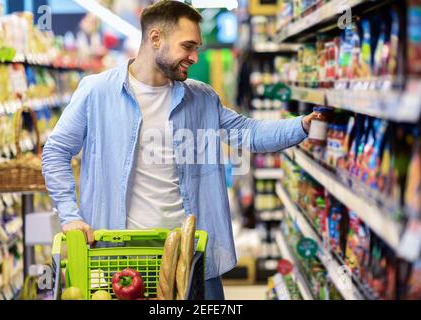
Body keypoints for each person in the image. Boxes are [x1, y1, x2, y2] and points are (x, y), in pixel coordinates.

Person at [42, 0, 315, 300]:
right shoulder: (97, 91)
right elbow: (55, 151)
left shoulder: (201, 98)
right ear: (155, 38)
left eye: (196, 47)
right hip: (120, 255)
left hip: (189, 253)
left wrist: (303, 125)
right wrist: (69, 216)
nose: (195, 56)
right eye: (188, 46)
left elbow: (248, 133)